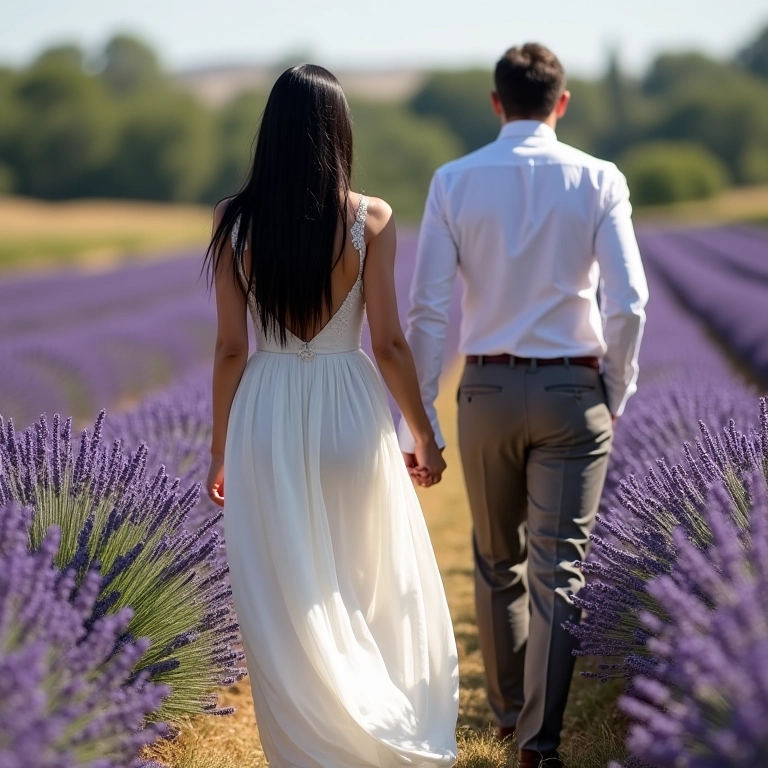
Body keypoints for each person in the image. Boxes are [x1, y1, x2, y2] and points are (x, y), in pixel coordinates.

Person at [399, 44, 649, 768]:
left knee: (495, 559)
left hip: (486, 389)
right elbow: (629, 302)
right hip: (574, 389)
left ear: (496, 102)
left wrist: (425, 421)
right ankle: (538, 745)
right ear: (561, 103)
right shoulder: (600, 178)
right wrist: (615, 389)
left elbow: (428, 311)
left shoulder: (454, 180)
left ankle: (509, 715)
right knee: (559, 569)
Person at [203, 64, 459, 768]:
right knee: (365, 577)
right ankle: (377, 734)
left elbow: (230, 348)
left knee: (287, 595)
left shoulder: (233, 222)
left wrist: (219, 450)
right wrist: (425, 437)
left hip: (267, 412)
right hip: (348, 407)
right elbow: (390, 343)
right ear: (338, 132)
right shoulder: (369, 219)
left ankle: (314, 749)